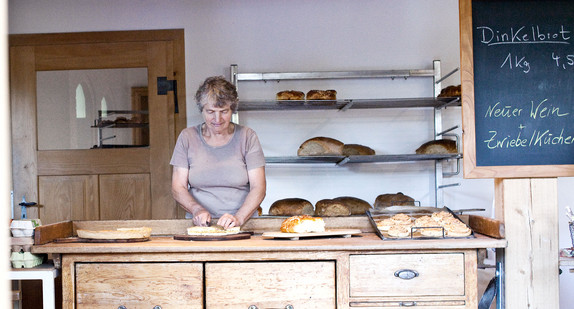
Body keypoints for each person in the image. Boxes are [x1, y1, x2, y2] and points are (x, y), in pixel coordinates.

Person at [170, 76, 266, 229]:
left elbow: (258, 187)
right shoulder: (187, 137)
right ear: (202, 110)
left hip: (243, 224)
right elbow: (178, 187)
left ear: (232, 109)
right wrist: (197, 210)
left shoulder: (247, 137)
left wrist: (239, 218)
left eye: (224, 111)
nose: (217, 119)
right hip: (199, 226)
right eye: (210, 112)